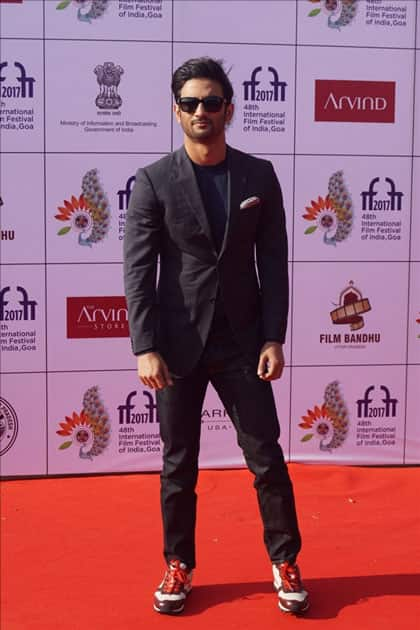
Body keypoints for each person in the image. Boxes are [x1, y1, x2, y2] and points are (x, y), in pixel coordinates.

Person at [123, 57, 309, 616]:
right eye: (189, 103)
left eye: (210, 102)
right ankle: (178, 564)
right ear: (176, 110)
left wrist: (273, 336)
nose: (200, 111)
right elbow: (138, 268)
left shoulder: (259, 175)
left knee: (266, 459)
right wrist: (144, 345)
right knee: (178, 465)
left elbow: (273, 262)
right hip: (177, 345)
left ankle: (285, 561)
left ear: (230, 107)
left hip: (243, 343)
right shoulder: (155, 179)